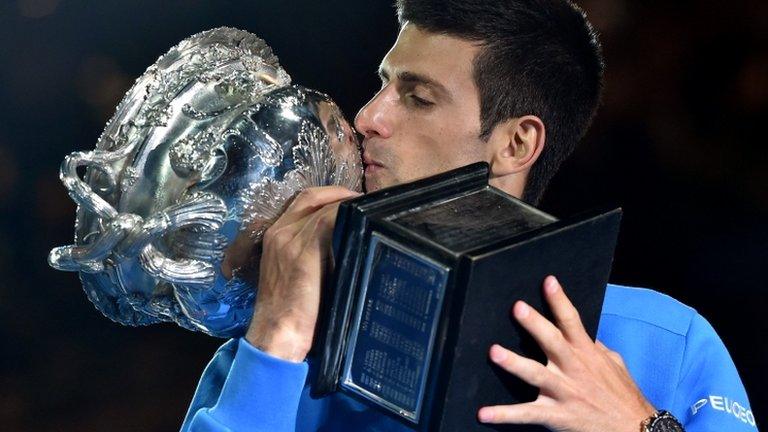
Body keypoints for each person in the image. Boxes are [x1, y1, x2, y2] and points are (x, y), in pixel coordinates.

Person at [181, 1, 757, 431]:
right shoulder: (269, 354)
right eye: (383, 86)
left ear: (515, 144)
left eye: (419, 97)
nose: (367, 117)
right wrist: (275, 341)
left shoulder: (665, 340)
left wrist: (637, 426)